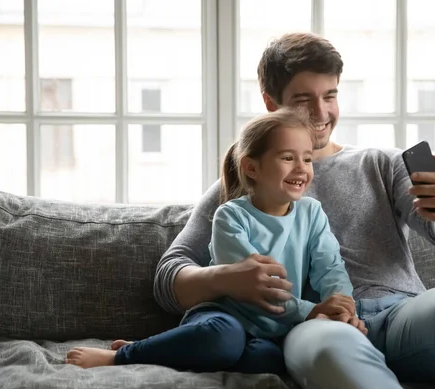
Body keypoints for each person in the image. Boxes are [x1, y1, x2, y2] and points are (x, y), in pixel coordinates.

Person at [151, 32, 435, 389]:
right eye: (302, 100)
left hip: (403, 319)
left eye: (330, 95)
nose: (322, 112)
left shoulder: (381, 164)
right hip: (318, 323)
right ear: (271, 104)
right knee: (331, 345)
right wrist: (225, 278)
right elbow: (168, 278)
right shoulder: (242, 182)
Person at [65, 107, 362, 374]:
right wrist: (311, 310)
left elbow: (330, 267)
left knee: (267, 361)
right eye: (288, 157)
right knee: (222, 338)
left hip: (273, 327)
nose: (301, 167)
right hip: (224, 316)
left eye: (307, 158)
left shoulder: (312, 213)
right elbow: (263, 288)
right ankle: (125, 355)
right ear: (251, 168)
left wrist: (343, 308)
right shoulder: (230, 217)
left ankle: (175, 347)